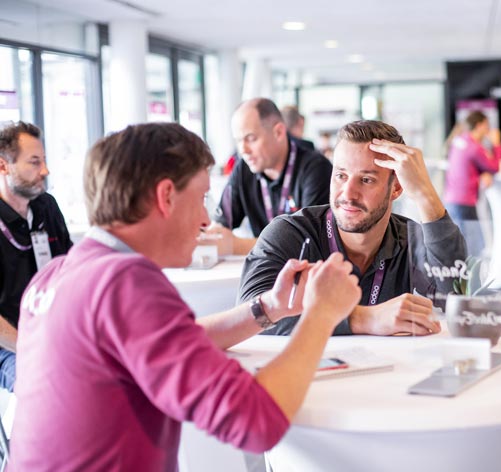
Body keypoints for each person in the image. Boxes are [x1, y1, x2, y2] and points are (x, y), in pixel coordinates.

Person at [9, 123, 361, 471]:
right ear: (166, 196)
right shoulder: (126, 284)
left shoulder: (53, 278)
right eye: (202, 197)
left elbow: (177, 341)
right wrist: (320, 314)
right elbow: (257, 422)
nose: (207, 220)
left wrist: (268, 307)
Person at [240, 120, 467, 336]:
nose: (348, 194)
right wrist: (366, 318)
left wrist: (426, 196)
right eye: (341, 176)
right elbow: (250, 313)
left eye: (366, 180)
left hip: (387, 364)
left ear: (396, 188)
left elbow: (458, 299)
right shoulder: (290, 233)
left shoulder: (410, 239)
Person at [0, 121, 72, 392]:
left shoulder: (46, 208)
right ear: (3, 166)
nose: (45, 170)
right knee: (45, 383)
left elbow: (69, 270)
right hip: (10, 345)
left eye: (43, 160)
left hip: (53, 334)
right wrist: (33, 348)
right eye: (34, 162)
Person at [210, 98, 332, 254]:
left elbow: (306, 244)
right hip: (263, 266)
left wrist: (235, 245)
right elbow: (220, 226)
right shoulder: (244, 168)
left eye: (251, 138)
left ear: (278, 132)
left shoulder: (316, 169)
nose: (243, 150)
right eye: (238, 141)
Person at [443, 111, 501, 257]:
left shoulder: (459, 140)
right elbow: (494, 167)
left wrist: (482, 173)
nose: (489, 129)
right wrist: (497, 145)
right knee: (473, 248)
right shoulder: (475, 147)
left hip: (451, 199)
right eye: (487, 125)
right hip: (465, 202)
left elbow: (467, 165)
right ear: (479, 125)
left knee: (460, 245)